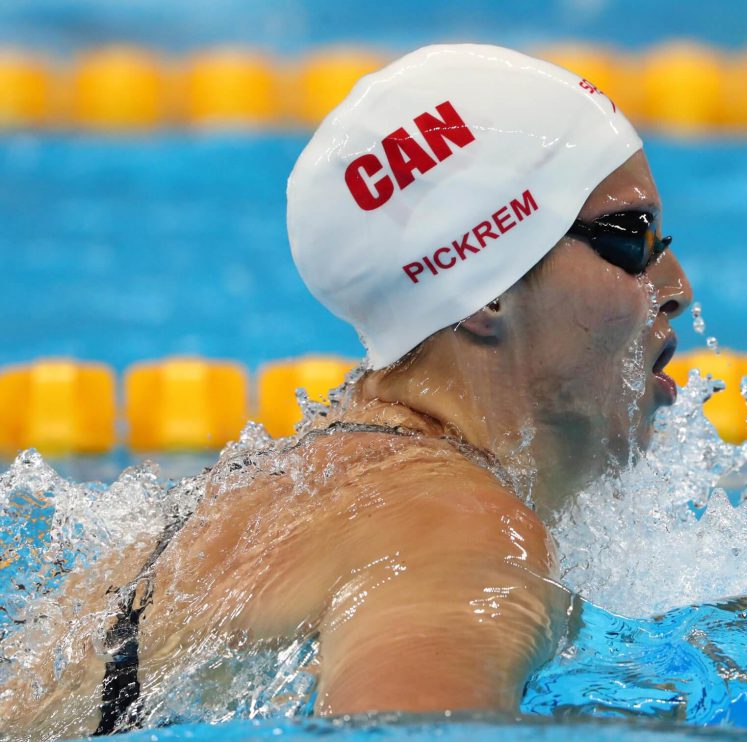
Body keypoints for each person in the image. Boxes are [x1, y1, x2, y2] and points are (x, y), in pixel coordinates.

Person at [0, 43, 689, 738]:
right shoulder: (460, 530)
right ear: (487, 288)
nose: (676, 288)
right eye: (629, 240)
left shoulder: (308, 488)